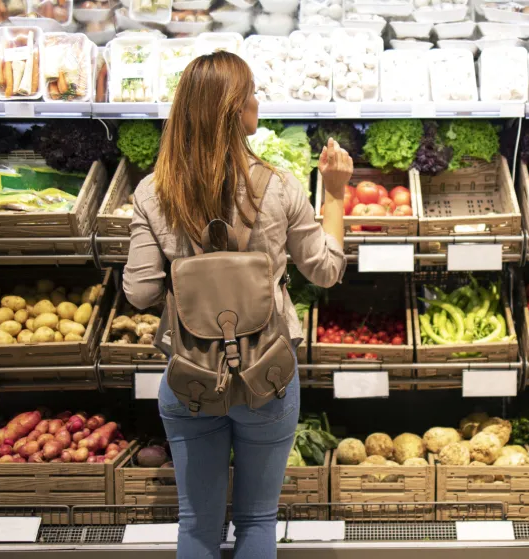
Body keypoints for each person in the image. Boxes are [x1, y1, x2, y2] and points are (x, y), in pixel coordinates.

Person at [122, 51, 351, 559]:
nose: (257, 100)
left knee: (197, 527)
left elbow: (138, 291)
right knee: (255, 522)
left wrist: (188, 285)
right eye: (250, 92)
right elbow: (325, 270)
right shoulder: (280, 188)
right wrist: (334, 194)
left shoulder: (153, 193)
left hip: (189, 375)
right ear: (234, 111)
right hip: (266, 375)